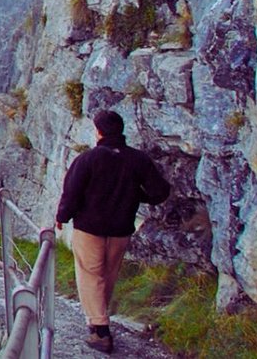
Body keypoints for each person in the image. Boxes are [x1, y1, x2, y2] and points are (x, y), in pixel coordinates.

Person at [55, 110, 171, 354]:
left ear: (98, 131)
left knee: (90, 274)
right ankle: (99, 323)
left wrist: (61, 217)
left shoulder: (88, 159)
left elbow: (72, 192)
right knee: (107, 274)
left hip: (90, 227)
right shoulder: (138, 160)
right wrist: (137, 195)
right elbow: (161, 192)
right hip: (121, 228)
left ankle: (100, 329)